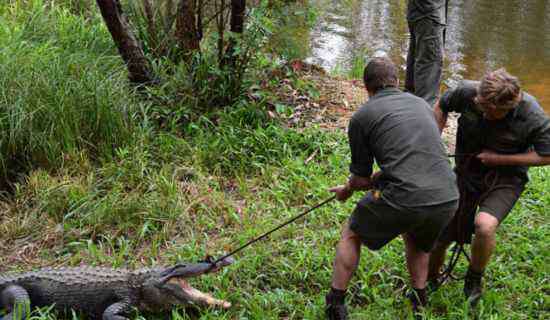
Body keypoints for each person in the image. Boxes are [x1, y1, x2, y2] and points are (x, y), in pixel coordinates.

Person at [325, 57, 459, 320]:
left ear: (367, 87)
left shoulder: (362, 117)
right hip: (447, 195)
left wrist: (347, 189)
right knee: (418, 239)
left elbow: (362, 180)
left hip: (406, 196)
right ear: (396, 82)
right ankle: (419, 301)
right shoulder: (421, 104)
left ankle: (335, 304)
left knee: (352, 233)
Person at [429, 69, 550, 306]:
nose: (480, 109)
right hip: (466, 173)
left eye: (487, 110)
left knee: (484, 226)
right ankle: (430, 277)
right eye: (479, 104)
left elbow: (547, 154)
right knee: (442, 227)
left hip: (506, 179)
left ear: (507, 108)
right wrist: (434, 141)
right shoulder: (469, 91)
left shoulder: (532, 115)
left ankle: (474, 278)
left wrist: (501, 159)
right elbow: (441, 105)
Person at [405, 0, 446, 107]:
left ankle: (409, 107)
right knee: (430, 65)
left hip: (418, 11)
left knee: (417, 56)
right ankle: (423, 113)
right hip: (428, 12)